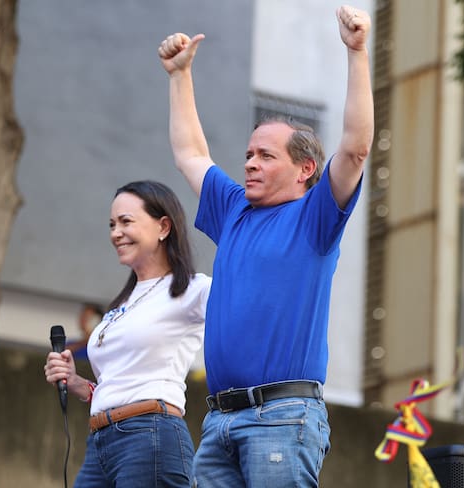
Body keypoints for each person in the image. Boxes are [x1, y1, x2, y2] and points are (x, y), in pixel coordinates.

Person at [158, 5, 373, 487]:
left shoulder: (315, 216)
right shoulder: (234, 209)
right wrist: (179, 76)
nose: (250, 163)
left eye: (265, 156)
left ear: (305, 171)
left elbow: (357, 148)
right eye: (249, 154)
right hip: (219, 421)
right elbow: (191, 153)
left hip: (283, 417)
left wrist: (356, 52)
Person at [44, 180, 211, 487]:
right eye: (111, 224)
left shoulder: (193, 289)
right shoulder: (123, 303)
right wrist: (79, 383)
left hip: (150, 435)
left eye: (126, 222)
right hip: (102, 441)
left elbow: (251, 313)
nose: (115, 233)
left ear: (163, 227)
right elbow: (124, 381)